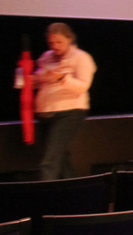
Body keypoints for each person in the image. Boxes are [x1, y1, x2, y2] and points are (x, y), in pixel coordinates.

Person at [32, 22, 96, 180]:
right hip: (46, 113)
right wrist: (29, 79)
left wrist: (62, 77)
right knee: (61, 158)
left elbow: (83, 86)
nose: (55, 46)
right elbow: (38, 80)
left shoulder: (81, 57)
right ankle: (73, 189)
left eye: (59, 42)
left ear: (69, 39)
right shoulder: (46, 57)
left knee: (49, 160)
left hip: (69, 113)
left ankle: (46, 193)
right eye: (51, 43)